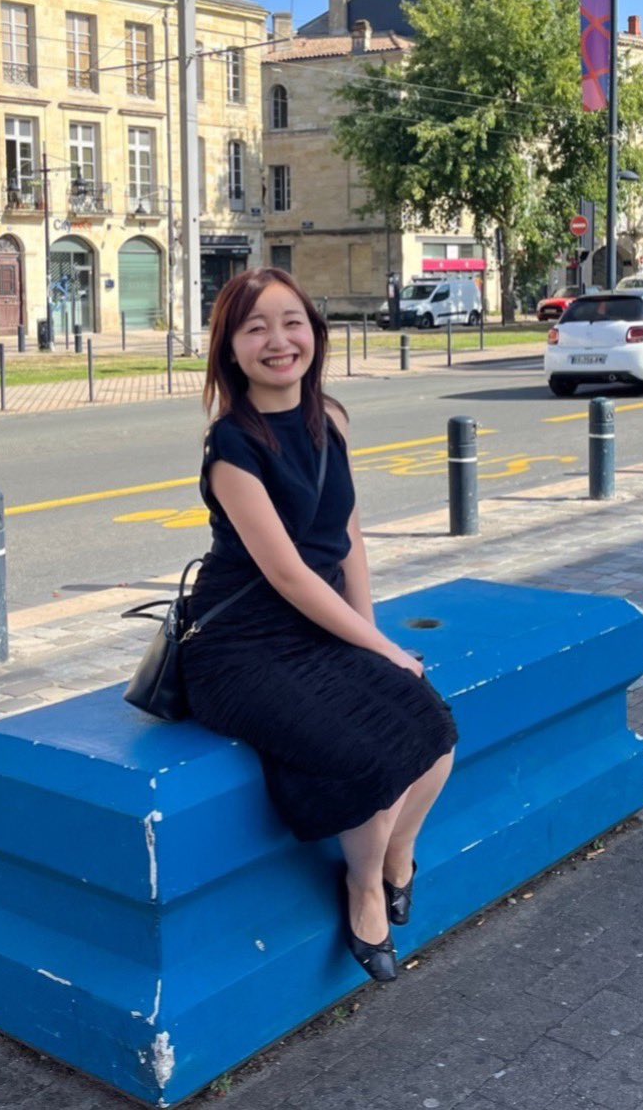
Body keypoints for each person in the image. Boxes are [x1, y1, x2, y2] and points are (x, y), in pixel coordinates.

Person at [183, 267, 458, 983]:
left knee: (436, 731)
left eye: (291, 322)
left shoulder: (327, 418)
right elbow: (288, 574)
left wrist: (369, 636)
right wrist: (378, 647)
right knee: (369, 762)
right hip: (240, 649)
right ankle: (363, 885)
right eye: (255, 328)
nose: (278, 341)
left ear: (315, 332)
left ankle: (397, 856)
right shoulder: (231, 446)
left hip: (317, 630)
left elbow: (347, 536)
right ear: (231, 350)